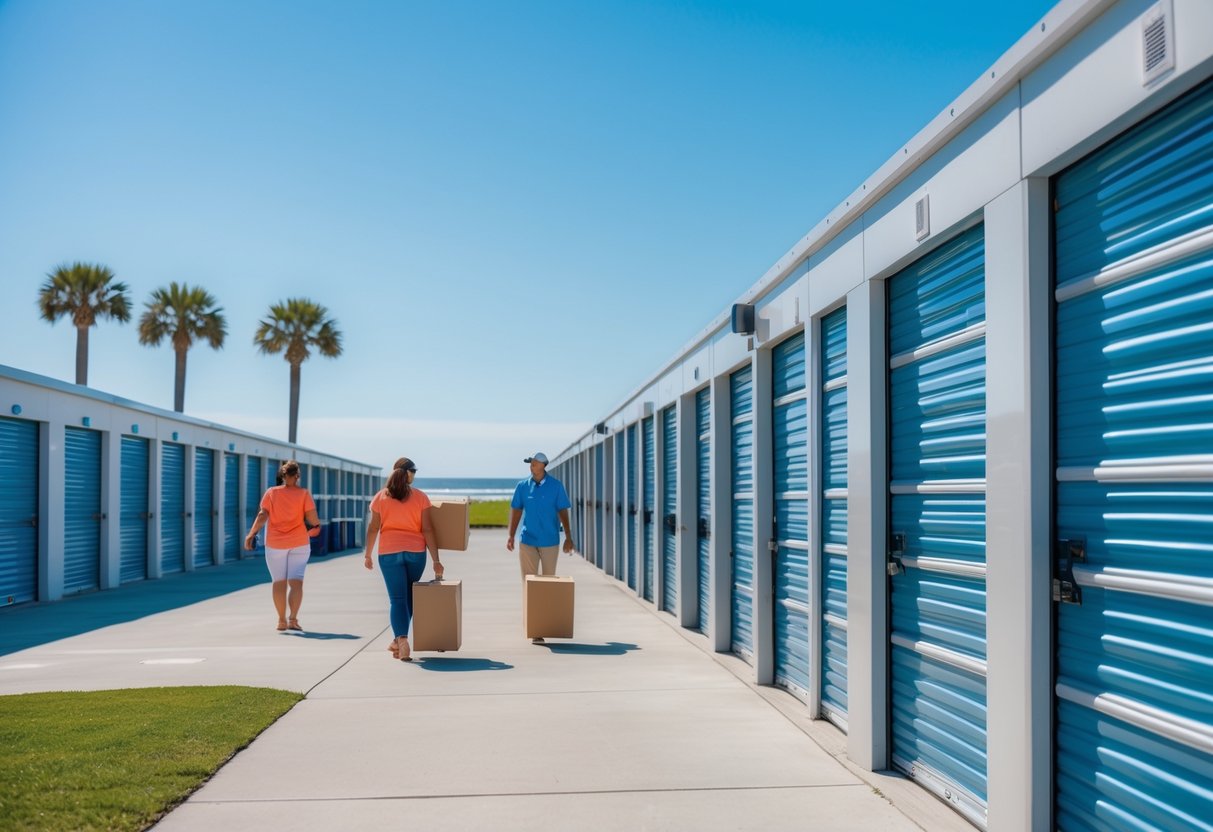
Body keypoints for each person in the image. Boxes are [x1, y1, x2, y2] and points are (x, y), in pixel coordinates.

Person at [363, 457, 443, 661]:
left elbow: (373, 528)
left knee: (397, 599)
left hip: (389, 552)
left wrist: (368, 554)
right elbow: (427, 529)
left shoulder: (380, 497)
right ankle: (399, 641)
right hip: (416, 553)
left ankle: (401, 640)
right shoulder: (420, 497)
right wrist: (436, 559)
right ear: (408, 474)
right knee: (409, 597)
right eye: (414, 472)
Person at [245, 460, 321, 632]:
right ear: (297, 476)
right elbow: (313, 519)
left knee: (279, 582)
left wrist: (251, 534)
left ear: (283, 475)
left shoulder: (271, 493)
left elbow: (262, 515)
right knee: (296, 583)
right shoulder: (303, 494)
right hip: (299, 543)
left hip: (275, 544)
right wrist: (316, 526)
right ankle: (293, 619)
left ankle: (281, 621)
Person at [507, 452, 574, 643]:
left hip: (550, 541)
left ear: (543, 465)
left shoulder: (556, 486)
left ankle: (545, 623)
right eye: (530, 463)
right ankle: (534, 629)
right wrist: (511, 535)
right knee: (528, 583)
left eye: (535, 463)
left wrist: (568, 537)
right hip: (527, 540)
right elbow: (517, 510)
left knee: (547, 582)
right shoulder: (522, 486)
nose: (531, 466)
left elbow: (563, 511)